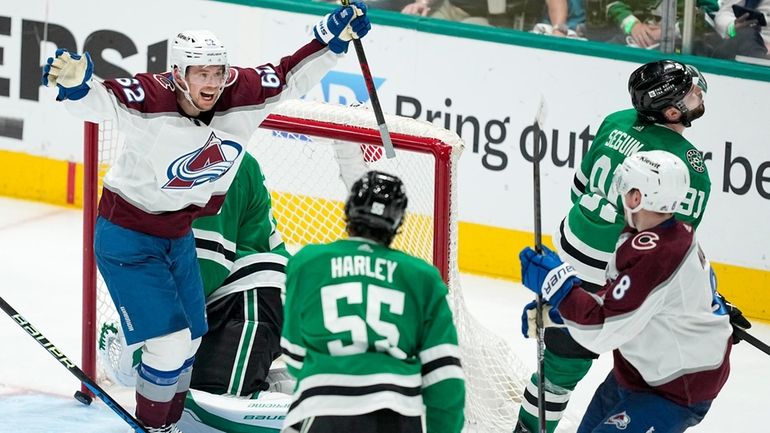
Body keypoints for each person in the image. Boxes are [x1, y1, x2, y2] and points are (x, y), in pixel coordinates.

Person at [41, 6, 371, 431]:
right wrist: (75, 85)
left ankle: (167, 423)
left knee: (191, 340)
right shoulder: (150, 99)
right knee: (169, 345)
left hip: (177, 236)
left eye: (218, 72)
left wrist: (333, 39)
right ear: (179, 74)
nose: (212, 83)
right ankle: (155, 426)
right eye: (202, 74)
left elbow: (291, 74)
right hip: (127, 237)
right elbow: (100, 100)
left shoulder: (243, 93)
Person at [513, 59, 749, 433]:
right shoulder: (688, 167)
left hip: (568, 252)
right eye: (690, 93)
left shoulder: (616, 120)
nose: (698, 94)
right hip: (615, 274)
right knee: (609, 340)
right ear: (672, 111)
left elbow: (578, 189)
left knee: (558, 370)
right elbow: (669, 248)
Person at [519, 150, 733, 433]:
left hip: (676, 388)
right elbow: (621, 300)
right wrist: (558, 313)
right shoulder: (662, 233)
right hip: (640, 372)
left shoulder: (658, 254)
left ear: (636, 197)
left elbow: (603, 330)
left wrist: (559, 285)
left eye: (623, 186)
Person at [280, 171, 465, 433]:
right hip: (398, 414)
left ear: (349, 211)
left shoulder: (307, 262)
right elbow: (444, 375)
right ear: (398, 222)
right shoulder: (422, 277)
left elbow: (294, 352)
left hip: (323, 406)